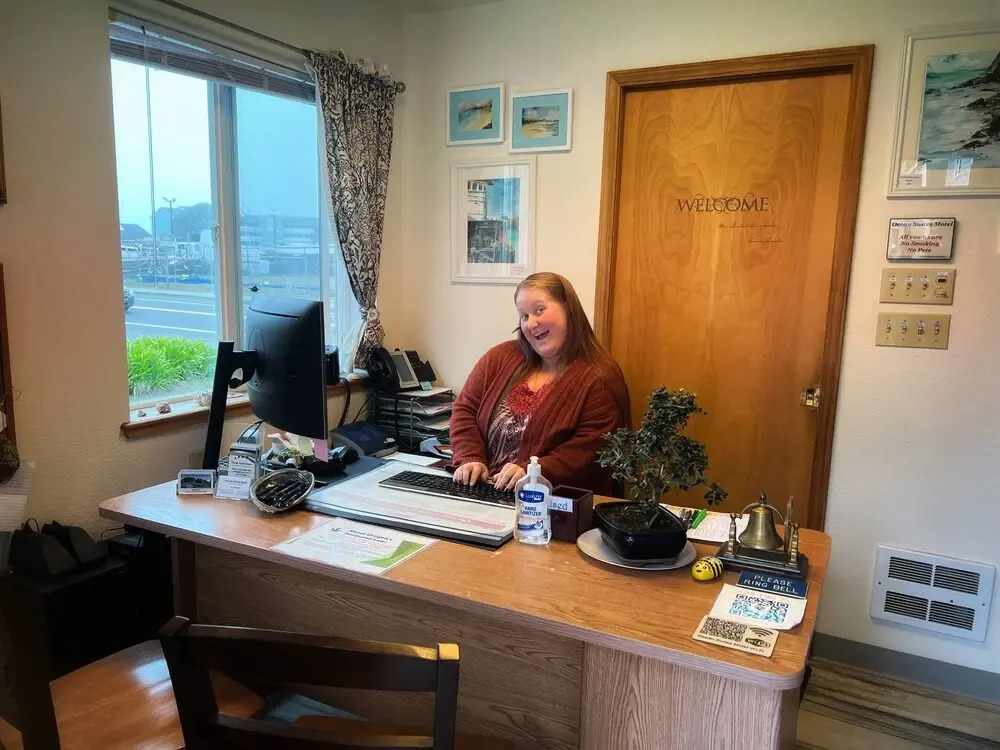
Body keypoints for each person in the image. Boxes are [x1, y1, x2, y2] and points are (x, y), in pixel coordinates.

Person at [449, 272, 630, 495]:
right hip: (483, 492)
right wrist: (470, 458)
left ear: (569, 309)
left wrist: (532, 472)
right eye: (524, 316)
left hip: (551, 502)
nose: (531, 323)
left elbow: (589, 449)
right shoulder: (499, 357)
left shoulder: (601, 377)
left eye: (540, 310)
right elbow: (464, 410)